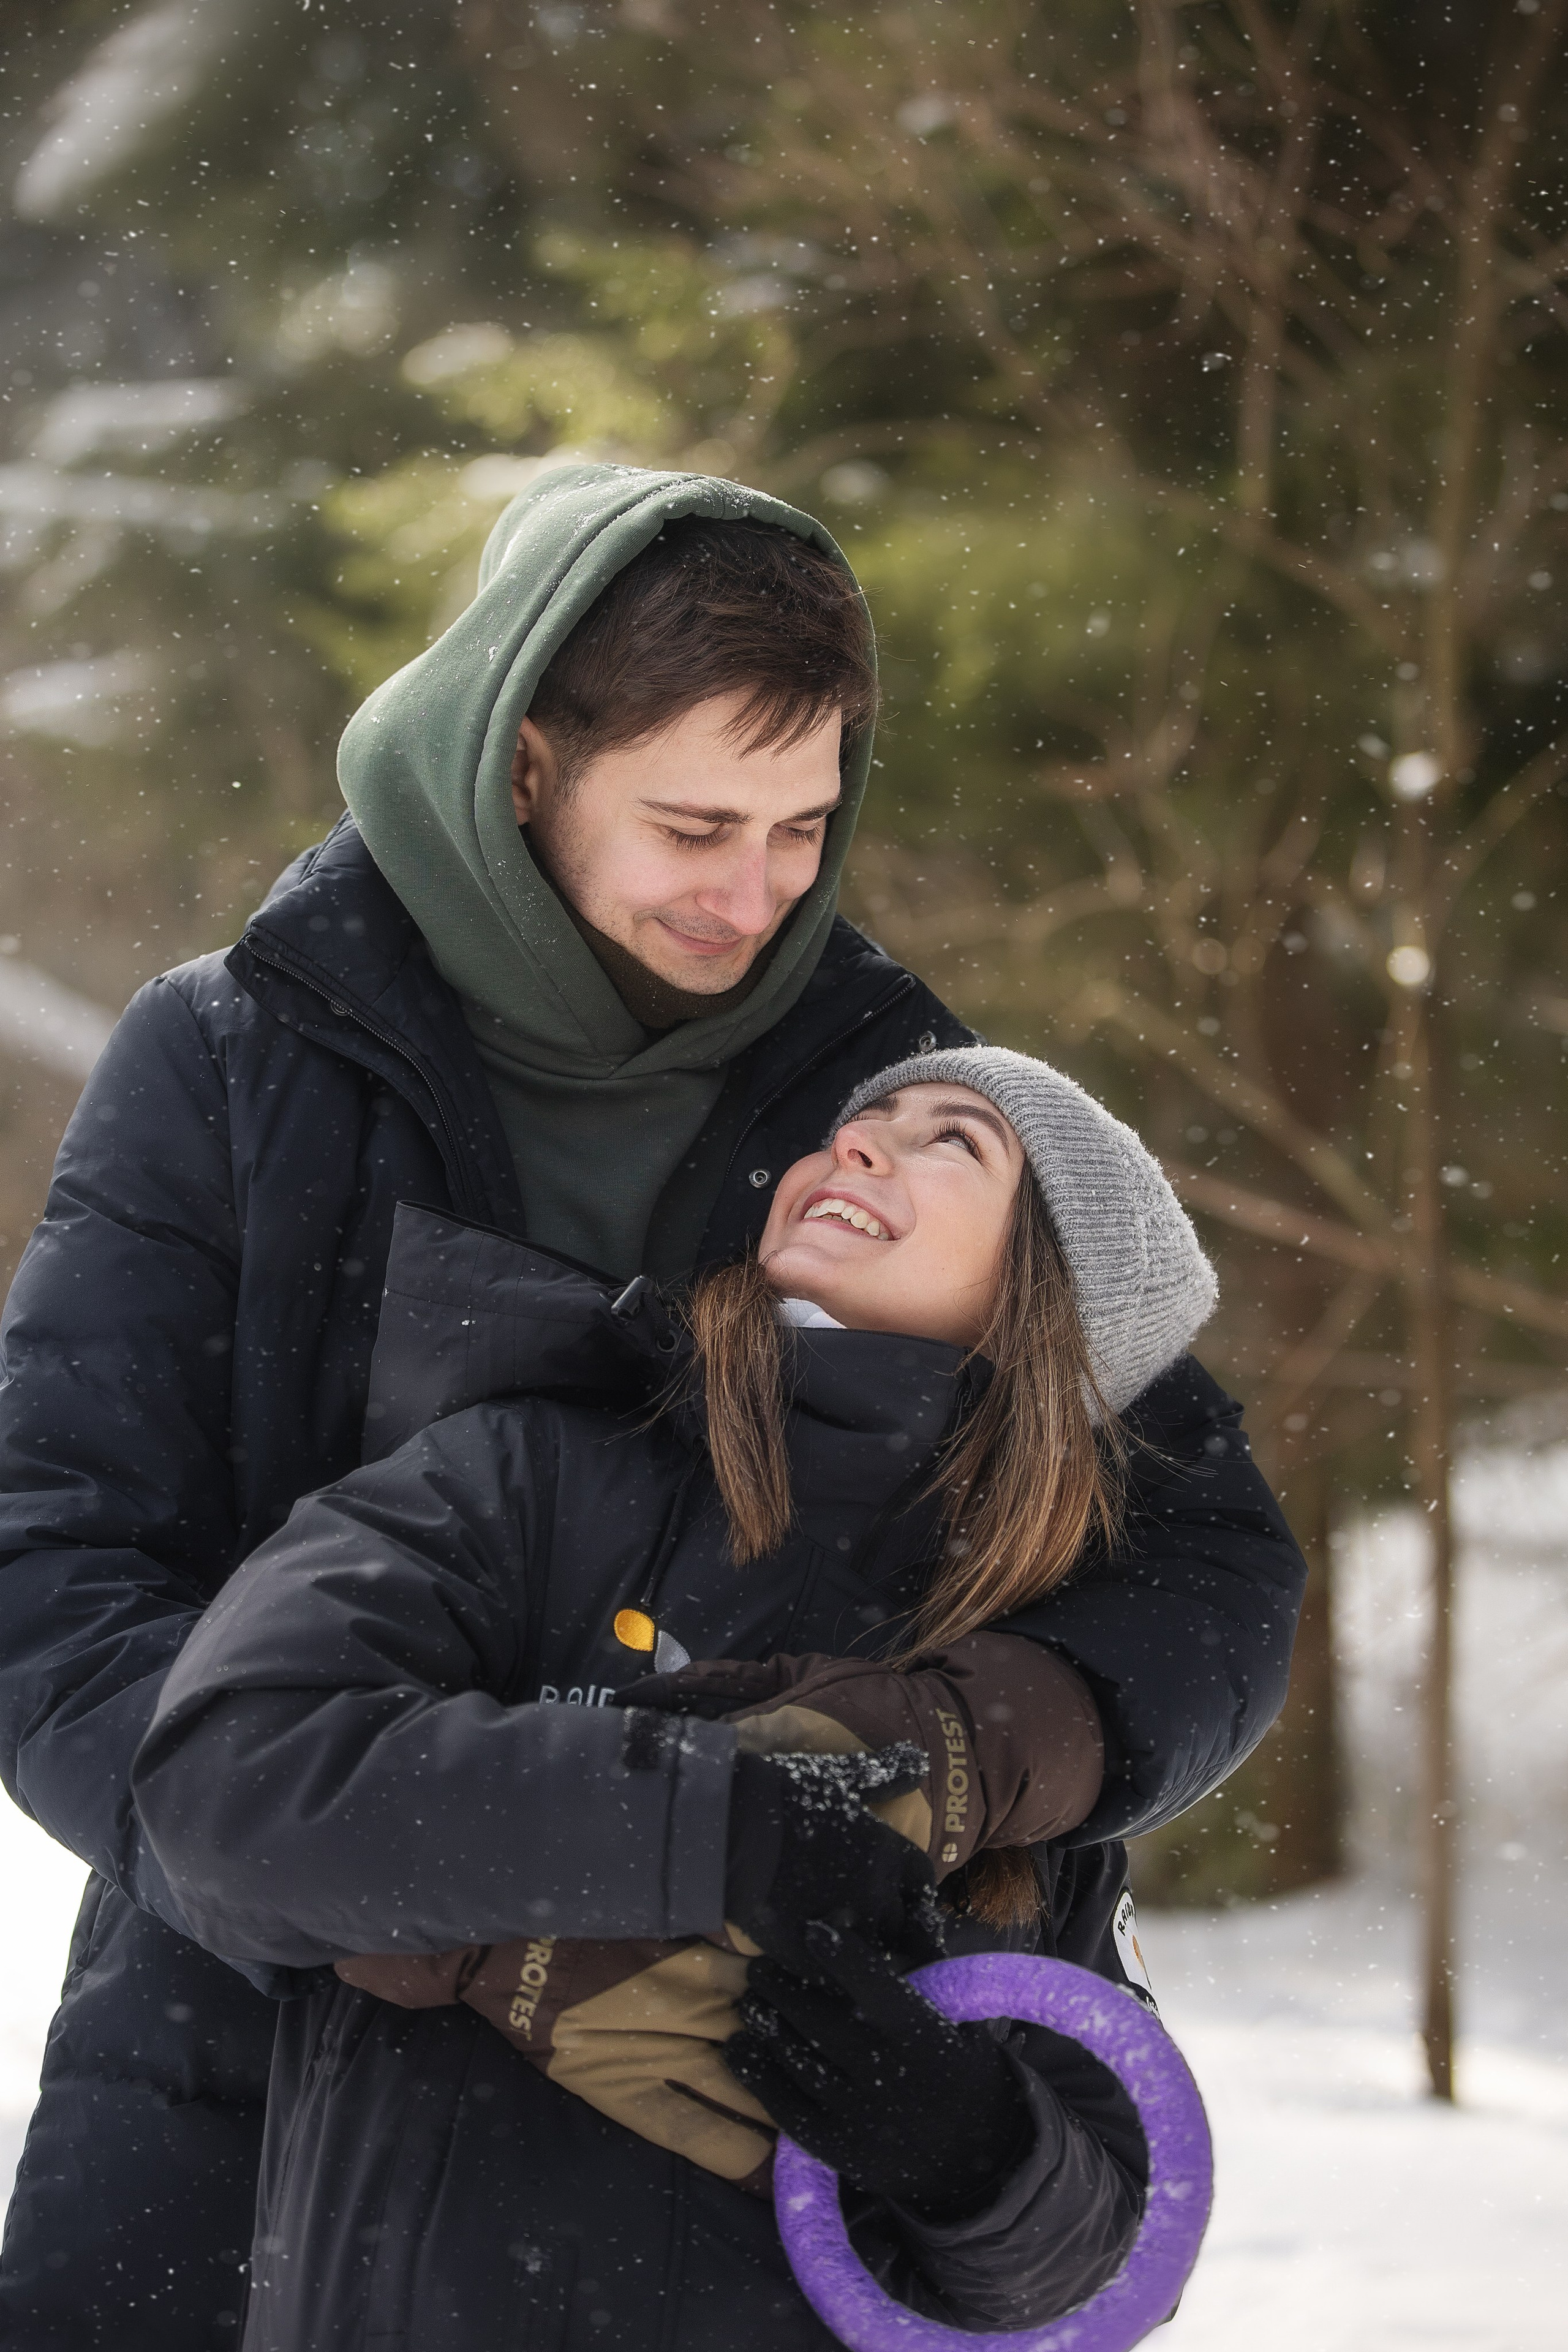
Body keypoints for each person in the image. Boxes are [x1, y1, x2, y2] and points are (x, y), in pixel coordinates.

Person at [0, 464, 1304, 2346]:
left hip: (752, 2070)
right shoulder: (234, 1056)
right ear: (528, 763)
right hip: (248, 2037)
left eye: (804, 822)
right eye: (696, 822)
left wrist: (942, 1745)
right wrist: (415, 1893)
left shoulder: (886, 1079)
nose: (755, 891)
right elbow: (50, 1563)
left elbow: (1202, 1548)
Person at [134, 1047, 1225, 2345]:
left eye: (953, 1142)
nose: (857, 1145)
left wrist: (976, 2158)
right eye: (855, 1120)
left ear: (1049, 1304)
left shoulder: (1022, 1691)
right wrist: (708, 1827)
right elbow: (222, 1782)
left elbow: (1111, 2263)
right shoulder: (521, 1474)